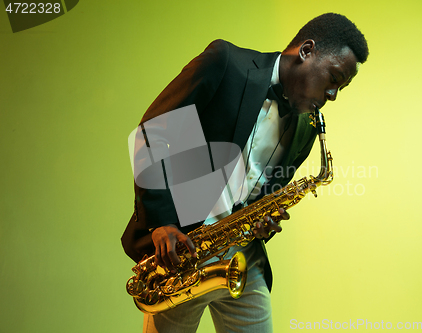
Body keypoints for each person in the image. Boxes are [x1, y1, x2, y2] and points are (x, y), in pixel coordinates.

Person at [122, 13, 369, 333]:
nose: (333, 95)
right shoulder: (226, 64)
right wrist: (162, 223)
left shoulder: (307, 128)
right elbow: (154, 133)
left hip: (242, 259)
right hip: (183, 254)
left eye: (341, 88)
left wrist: (263, 223)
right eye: (333, 79)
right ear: (307, 51)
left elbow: (265, 191)